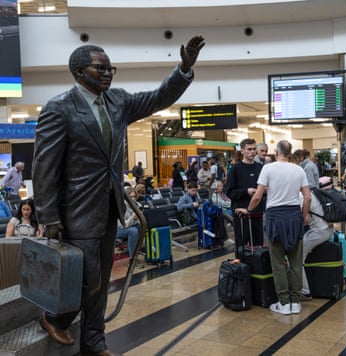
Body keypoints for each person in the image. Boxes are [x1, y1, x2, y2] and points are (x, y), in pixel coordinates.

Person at [32, 36, 205, 355]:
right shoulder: (59, 108)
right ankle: (56, 316)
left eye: (111, 68)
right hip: (75, 209)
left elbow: (158, 97)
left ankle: (95, 339)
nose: (109, 73)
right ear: (80, 70)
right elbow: (44, 167)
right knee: (88, 277)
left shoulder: (118, 102)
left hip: (110, 206)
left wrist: (183, 68)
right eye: (102, 68)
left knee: (103, 278)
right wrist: (49, 216)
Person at [237, 140, 311, 315]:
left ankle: (284, 302)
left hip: (275, 219)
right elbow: (307, 197)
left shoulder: (268, 169)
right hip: (294, 217)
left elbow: (257, 196)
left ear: (276, 152)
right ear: (290, 153)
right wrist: (305, 215)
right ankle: (295, 302)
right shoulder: (299, 170)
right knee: (295, 263)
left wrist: (248, 210)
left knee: (278, 263)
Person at [226, 138, 264, 256]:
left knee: (258, 245)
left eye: (254, 149)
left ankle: (258, 270)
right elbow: (229, 192)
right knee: (242, 246)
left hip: (257, 212)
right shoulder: (235, 169)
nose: (252, 152)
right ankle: (242, 269)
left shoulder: (260, 167)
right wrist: (246, 191)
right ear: (242, 151)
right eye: (249, 149)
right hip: (241, 213)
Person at [301, 189, 334, 299]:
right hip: (328, 229)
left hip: (319, 232)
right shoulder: (313, 192)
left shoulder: (301, 197)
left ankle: (304, 291)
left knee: (297, 258)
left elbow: (304, 220)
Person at [115, 188, 144, 268]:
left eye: (134, 197)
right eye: (131, 197)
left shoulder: (136, 205)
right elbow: (123, 225)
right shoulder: (122, 207)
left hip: (128, 228)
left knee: (140, 227)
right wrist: (133, 218)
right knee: (133, 231)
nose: (133, 199)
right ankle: (133, 260)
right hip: (118, 230)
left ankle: (143, 248)